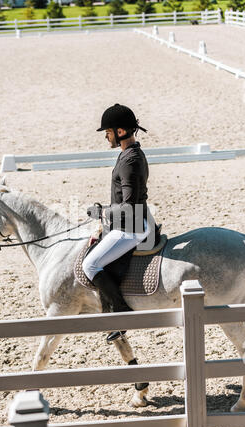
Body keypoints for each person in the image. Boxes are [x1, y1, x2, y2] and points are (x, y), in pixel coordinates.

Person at [82, 104, 154, 343]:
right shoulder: (129, 153)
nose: (106, 135)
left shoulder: (130, 160)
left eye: (109, 131)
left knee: (90, 264)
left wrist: (102, 212)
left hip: (131, 227)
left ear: (121, 131)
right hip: (127, 222)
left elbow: (130, 204)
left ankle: (121, 308)